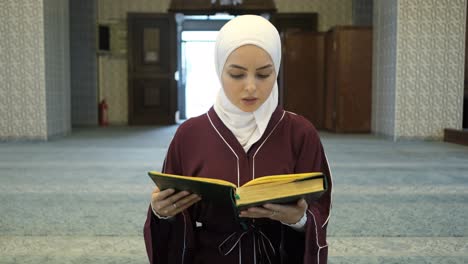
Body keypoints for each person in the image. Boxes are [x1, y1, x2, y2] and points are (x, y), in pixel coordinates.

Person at [144, 15, 332, 264]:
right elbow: (171, 209)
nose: (251, 87)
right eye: (236, 75)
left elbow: (319, 208)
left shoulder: (300, 133)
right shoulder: (190, 135)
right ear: (219, 70)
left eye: (264, 75)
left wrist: (300, 220)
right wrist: (161, 213)